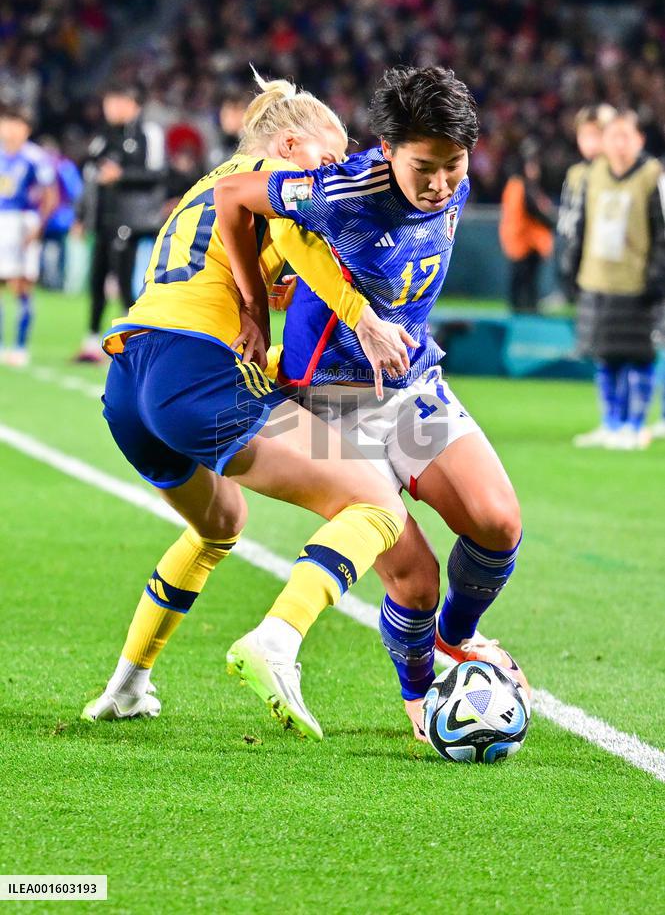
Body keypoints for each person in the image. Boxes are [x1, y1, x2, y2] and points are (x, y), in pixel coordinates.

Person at [82, 74, 420, 741]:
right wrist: (365, 319)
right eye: (327, 157)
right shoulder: (274, 179)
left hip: (131, 381)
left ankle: (126, 687)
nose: (332, 172)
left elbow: (222, 270)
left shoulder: (205, 187)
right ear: (288, 144)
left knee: (219, 525)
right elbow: (300, 242)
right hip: (194, 372)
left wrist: (265, 294)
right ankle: (277, 638)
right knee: (377, 505)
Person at [214, 66, 527, 743]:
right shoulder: (343, 190)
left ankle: (456, 640)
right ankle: (420, 694)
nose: (440, 183)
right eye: (424, 168)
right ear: (387, 151)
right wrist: (253, 310)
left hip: (409, 389)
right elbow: (233, 195)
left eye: (452, 166)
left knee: (498, 523)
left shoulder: (454, 184)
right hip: (326, 404)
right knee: (414, 579)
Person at [561, 110, 665, 449]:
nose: (619, 143)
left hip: (637, 284)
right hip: (596, 281)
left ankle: (634, 426)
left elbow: (661, 233)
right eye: (613, 136)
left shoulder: (653, 176)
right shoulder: (591, 175)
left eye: (626, 136)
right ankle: (610, 423)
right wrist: (572, 267)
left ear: (639, 140)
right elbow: (580, 226)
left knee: (639, 357)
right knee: (605, 357)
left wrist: (656, 275)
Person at [76, 82, 168, 362]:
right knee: (97, 281)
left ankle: (135, 343)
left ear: (133, 104)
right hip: (103, 220)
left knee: (126, 282)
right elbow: (89, 174)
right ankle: (92, 341)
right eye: (109, 101)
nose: (111, 108)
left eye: (117, 101)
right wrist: (81, 216)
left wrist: (122, 175)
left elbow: (158, 173)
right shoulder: (104, 135)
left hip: (132, 220)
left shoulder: (148, 133)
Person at [0, 104, 57, 366]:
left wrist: (38, 227)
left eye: (16, 124)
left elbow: (50, 194)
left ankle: (20, 346)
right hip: (2, 220)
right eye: (6, 123)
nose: (10, 130)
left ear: (26, 129)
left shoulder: (35, 157)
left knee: (21, 284)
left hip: (23, 221)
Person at [499, 153, 556, 313]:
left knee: (523, 277)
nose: (535, 170)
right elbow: (534, 210)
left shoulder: (519, 186)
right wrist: (552, 221)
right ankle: (525, 307)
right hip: (524, 239)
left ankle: (521, 307)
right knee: (524, 278)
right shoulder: (521, 187)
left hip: (524, 239)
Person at [557, 104, 617, 246]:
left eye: (596, 134)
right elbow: (565, 223)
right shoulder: (575, 174)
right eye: (583, 135)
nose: (590, 143)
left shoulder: (622, 172)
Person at [37, 135, 84, 291]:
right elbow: (77, 191)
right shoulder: (65, 166)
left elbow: (75, 192)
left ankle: (52, 282)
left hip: (56, 216)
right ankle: (53, 281)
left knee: (51, 248)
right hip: (61, 215)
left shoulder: (55, 166)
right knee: (55, 248)